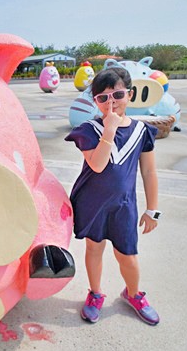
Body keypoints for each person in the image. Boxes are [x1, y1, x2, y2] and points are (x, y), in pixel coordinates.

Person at [65, 67, 161, 325]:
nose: (111, 103)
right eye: (102, 98)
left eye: (117, 95)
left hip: (124, 205)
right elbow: (97, 164)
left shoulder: (142, 131)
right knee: (94, 248)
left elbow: (149, 171)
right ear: (95, 101)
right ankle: (95, 294)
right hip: (93, 202)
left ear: (129, 94)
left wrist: (153, 209)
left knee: (127, 254)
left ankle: (133, 294)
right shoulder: (89, 129)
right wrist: (109, 129)